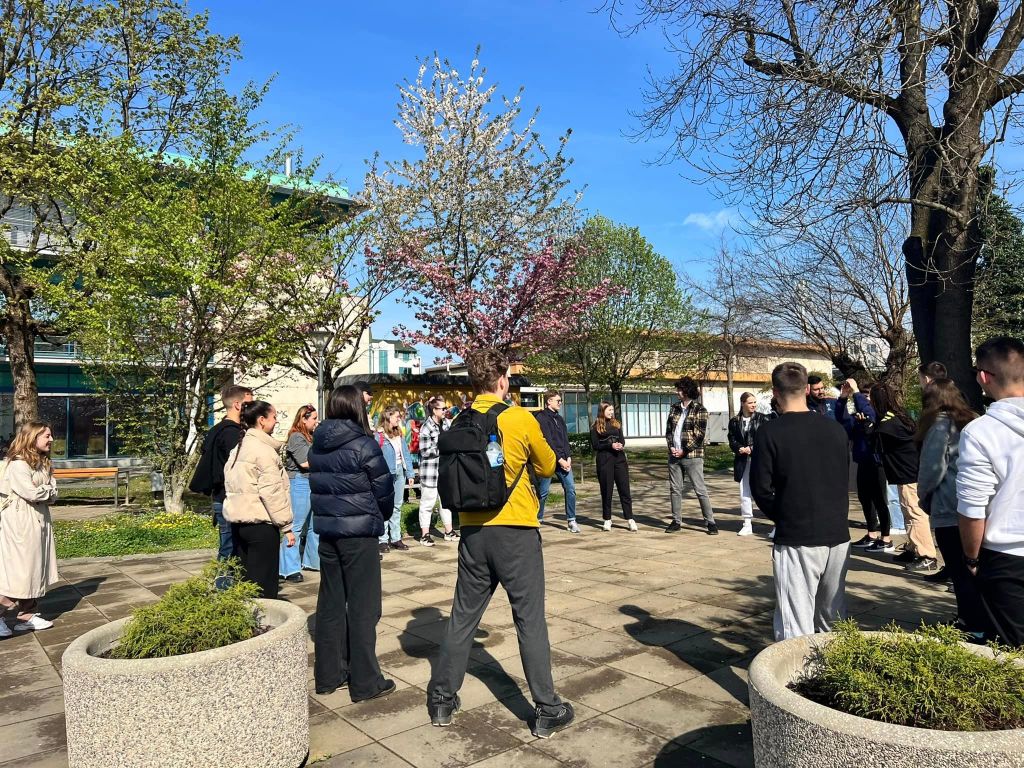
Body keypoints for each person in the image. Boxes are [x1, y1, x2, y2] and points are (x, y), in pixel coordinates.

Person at [428, 348, 574, 739]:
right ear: (503, 381)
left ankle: (441, 699)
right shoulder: (519, 417)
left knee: (463, 616)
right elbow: (546, 465)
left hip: (472, 531)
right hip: (516, 530)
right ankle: (548, 708)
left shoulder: (459, 419)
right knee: (529, 618)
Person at [751, 362, 851, 641]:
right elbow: (842, 477)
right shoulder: (835, 430)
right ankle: (835, 665)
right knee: (833, 618)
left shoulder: (769, 432)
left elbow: (761, 488)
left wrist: (784, 516)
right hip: (837, 533)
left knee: (795, 624)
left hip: (797, 536)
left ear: (775, 392)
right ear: (807, 389)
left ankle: (797, 671)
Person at [309, 385, 396, 701]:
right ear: (357, 407)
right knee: (364, 607)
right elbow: (384, 490)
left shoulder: (317, 444)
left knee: (330, 603)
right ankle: (365, 682)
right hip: (359, 534)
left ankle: (329, 675)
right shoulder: (363, 444)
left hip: (329, 532)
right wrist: (379, 516)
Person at [959, 336, 1024, 647]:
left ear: (984, 376)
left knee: (1012, 654)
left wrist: (971, 558)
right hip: (1006, 557)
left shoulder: (980, 432)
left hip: (1006, 558)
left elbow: (972, 509)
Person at [916, 378, 984, 636]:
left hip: (949, 505)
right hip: (977, 505)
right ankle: (981, 619)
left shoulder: (939, 426)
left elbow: (932, 469)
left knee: (958, 570)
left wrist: (923, 498)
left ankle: (970, 623)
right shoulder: (974, 420)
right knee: (976, 568)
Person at [223, 401, 294, 600]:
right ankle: (265, 619)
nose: (276, 421)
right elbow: (272, 493)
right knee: (264, 586)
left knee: (246, 584)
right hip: (261, 525)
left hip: (239, 523)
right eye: (274, 417)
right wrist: (286, 526)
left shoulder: (239, 447)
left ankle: (248, 617)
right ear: (262, 420)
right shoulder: (263, 451)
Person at [866, 384, 937, 571]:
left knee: (914, 513)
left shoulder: (888, 424)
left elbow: (873, 439)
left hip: (907, 474)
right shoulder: (899, 416)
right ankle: (914, 547)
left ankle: (927, 555)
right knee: (908, 512)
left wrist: (866, 422)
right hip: (906, 472)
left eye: (870, 399)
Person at [0, 422, 59, 635]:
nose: (51, 439)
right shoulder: (18, 465)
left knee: (35, 569)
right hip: (20, 523)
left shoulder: (43, 463)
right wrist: (47, 490)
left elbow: (53, 492)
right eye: (47, 436)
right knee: (21, 572)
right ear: (33, 438)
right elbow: (31, 493)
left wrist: (46, 491)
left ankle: (27, 615)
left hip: (39, 519)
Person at [189, 385, 254, 560]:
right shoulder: (231, 433)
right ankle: (224, 577)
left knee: (231, 546)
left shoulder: (218, 429)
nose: (253, 409)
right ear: (237, 405)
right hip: (229, 498)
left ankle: (227, 575)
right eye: (249, 404)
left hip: (223, 497)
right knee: (230, 548)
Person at [836, 377, 892, 553]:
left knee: (880, 500)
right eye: (863, 395)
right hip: (863, 461)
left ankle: (886, 537)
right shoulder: (860, 414)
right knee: (865, 499)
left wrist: (857, 394)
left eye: (868, 395)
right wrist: (843, 398)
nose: (865, 398)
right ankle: (871, 533)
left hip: (877, 463)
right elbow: (843, 421)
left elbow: (870, 414)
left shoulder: (880, 413)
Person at [665, 376, 717, 535]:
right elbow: (669, 431)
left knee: (700, 489)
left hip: (692, 456)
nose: (677, 392)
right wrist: (671, 447)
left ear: (687, 391)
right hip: (674, 456)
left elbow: (699, 436)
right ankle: (676, 521)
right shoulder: (674, 408)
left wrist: (684, 450)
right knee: (675, 489)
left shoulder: (700, 409)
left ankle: (710, 522)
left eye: (679, 389)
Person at [280, 404, 319, 583]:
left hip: (312, 481)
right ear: (303, 419)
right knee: (295, 526)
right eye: (314, 419)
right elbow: (305, 462)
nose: (316, 422)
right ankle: (288, 568)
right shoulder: (296, 437)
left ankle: (312, 561)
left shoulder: (310, 436)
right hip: (300, 482)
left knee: (313, 525)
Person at [417, 396, 459, 546]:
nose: (445, 411)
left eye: (446, 408)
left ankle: (449, 531)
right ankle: (425, 535)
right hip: (430, 472)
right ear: (434, 410)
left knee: (445, 502)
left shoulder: (446, 424)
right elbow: (424, 451)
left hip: (444, 470)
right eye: (442, 408)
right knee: (427, 504)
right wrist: (442, 446)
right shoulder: (426, 427)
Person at [535, 390, 578, 533]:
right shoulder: (541, 417)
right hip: (549, 460)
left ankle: (571, 520)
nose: (560, 403)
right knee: (543, 492)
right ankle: (537, 519)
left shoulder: (559, 418)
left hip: (564, 460)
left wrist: (568, 457)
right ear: (549, 401)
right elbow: (548, 440)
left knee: (570, 489)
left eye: (561, 401)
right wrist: (559, 459)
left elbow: (565, 439)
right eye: (558, 400)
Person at [591, 402, 637, 532]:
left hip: (619, 459)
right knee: (606, 490)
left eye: (612, 410)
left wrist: (620, 445)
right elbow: (595, 445)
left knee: (624, 489)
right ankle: (607, 519)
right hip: (604, 460)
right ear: (602, 411)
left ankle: (630, 518)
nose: (611, 412)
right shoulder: (595, 426)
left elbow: (622, 440)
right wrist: (609, 445)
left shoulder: (617, 424)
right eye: (609, 410)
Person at [728, 392, 768, 536]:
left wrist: (752, 448)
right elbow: (731, 439)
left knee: (766, 490)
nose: (753, 405)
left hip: (760, 459)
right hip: (742, 460)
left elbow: (766, 438)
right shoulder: (734, 421)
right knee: (744, 491)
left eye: (754, 402)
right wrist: (739, 448)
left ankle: (776, 524)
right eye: (750, 402)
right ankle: (747, 523)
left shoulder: (763, 418)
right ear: (743, 403)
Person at [376, 405, 413, 555]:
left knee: (397, 506)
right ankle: (383, 540)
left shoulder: (399, 434)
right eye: (396, 416)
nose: (399, 419)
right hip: (386, 473)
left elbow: (406, 454)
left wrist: (410, 473)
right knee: (385, 505)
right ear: (388, 417)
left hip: (399, 471)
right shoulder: (379, 435)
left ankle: (396, 538)